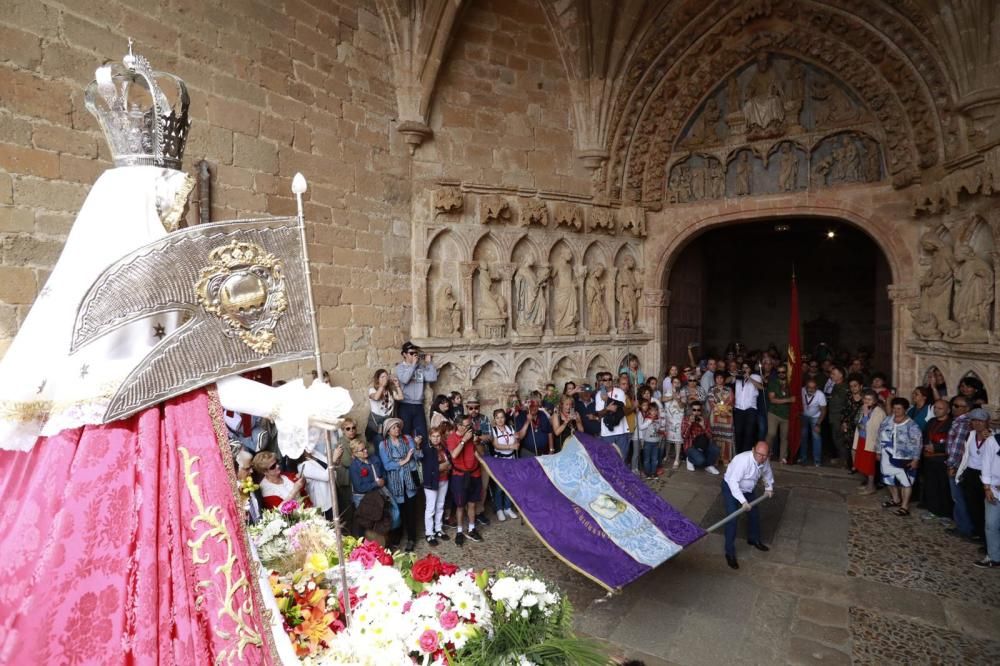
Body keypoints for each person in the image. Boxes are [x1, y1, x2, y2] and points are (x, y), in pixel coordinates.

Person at [721, 441, 775, 569]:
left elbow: (767, 474)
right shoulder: (742, 461)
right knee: (732, 518)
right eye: (759, 454)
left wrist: (769, 487)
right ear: (753, 450)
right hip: (731, 488)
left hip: (748, 489)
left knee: (754, 514)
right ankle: (729, 553)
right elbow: (733, 482)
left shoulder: (764, 460)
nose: (761, 458)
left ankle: (753, 539)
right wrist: (743, 502)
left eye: (764, 456)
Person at [378, 417, 422, 552]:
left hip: (409, 481)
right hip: (395, 483)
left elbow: (417, 456)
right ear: (388, 431)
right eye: (393, 428)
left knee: (411, 511)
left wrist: (418, 447)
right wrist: (405, 460)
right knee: (398, 511)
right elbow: (387, 465)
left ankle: (411, 538)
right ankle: (398, 535)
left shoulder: (407, 439)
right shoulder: (383, 445)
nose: (397, 429)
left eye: (398, 426)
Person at [878, 397, 923, 516]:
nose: (896, 411)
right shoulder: (888, 420)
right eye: (894, 408)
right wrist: (878, 451)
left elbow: (917, 443)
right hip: (886, 455)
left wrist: (916, 459)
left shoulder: (912, 425)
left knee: (905, 482)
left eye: (899, 408)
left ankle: (905, 506)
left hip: (904, 457)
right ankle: (896, 499)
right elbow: (879, 435)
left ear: (905, 409)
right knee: (888, 478)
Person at [446, 415, 486, 546]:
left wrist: (476, 442)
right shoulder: (452, 438)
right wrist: (464, 440)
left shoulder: (472, 436)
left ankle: (472, 529)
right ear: (459, 426)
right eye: (467, 426)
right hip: (459, 476)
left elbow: (481, 454)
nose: (470, 428)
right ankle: (459, 531)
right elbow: (454, 455)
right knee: (460, 505)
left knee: (472, 503)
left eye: (470, 425)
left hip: (475, 473)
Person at [956, 408, 993, 542]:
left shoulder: (992, 437)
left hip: (985, 475)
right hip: (971, 473)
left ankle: (987, 537)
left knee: (985, 508)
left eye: (981, 421)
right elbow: (966, 455)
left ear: (987, 422)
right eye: (974, 420)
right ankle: (978, 532)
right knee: (973, 505)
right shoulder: (970, 435)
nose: (977, 423)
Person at [945, 396, 976, 540]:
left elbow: (958, 447)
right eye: (953, 405)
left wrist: (952, 465)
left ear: (967, 408)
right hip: (958, 465)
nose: (953, 408)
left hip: (957, 467)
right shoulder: (959, 421)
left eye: (957, 406)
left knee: (958, 497)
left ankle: (964, 528)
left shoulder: (963, 423)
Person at [349, 438, 390, 542]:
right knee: (367, 522)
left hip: (377, 493)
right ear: (355, 453)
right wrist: (375, 484)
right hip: (363, 497)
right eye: (362, 450)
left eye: (365, 448)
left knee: (382, 518)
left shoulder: (374, 459)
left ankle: (382, 542)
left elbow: (383, 473)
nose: (365, 451)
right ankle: (366, 545)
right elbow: (359, 487)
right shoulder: (354, 467)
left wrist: (383, 480)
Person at [395, 341, 438, 440]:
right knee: (405, 435)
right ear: (404, 354)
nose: (414, 356)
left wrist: (429, 363)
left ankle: (422, 455)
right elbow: (404, 379)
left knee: (422, 434)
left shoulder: (420, 368)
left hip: (418, 405)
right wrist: (413, 365)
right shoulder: (400, 368)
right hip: (405, 405)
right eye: (411, 353)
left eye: (415, 353)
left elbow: (432, 378)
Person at [920, 399, 953, 518]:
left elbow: (952, 443)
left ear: (948, 410)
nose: (936, 410)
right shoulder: (931, 421)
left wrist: (937, 448)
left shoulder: (951, 423)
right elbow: (924, 436)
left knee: (944, 487)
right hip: (929, 459)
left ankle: (945, 514)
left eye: (940, 408)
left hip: (942, 460)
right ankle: (932, 509)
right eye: (935, 408)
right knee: (931, 485)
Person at [420, 425, 452, 547]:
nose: (436, 439)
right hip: (431, 482)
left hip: (444, 479)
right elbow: (427, 467)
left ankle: (438, 529)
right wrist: (440, 467)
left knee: (440, 505)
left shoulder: (443, 447)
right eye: (433, 436)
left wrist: (448, 466)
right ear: (429, 437)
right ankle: (429, 533)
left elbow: (448, 460)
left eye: (438, 436)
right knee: (431, 507)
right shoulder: (427, 449)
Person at [976, 419, 1000, 568]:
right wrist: (987, 487)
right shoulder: (993, 441)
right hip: (994, 490)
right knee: (991, 524)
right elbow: (986, 464)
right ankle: (994, 556)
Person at [488, 408, 520, 521]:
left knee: (510, 485)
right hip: (500, 461)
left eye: (502, 417)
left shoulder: (510, 428)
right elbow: (496, 445)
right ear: (495, 419)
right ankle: (499, 509)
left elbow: (516, 442)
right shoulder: (494, 431)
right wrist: (511, 446)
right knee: (499, 486)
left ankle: (507, 508)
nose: (500, 420)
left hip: (511, 459)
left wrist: (517, 441)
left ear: (505, 418)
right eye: (498, 418)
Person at [852, 389, 885, 495]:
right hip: (862, 440)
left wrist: (866, 415)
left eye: (870, 399)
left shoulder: (879, 412)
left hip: (871, 442)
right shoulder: (863, 409)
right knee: (863, 464)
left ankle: (871, 487)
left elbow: (873, 429)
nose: (867, 401)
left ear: (875, 401)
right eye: (865, 399)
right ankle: (868, 485)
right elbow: (859, 423)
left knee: (870, 465)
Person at [733, 362, 764, 454]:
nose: (745, 369)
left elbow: (761, 387)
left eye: (747, 368)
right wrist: (734, 375)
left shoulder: (755, 376)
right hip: (738, 408)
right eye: (743, 367)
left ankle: (746, 454)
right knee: (738, 432)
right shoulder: (738, 377)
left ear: (750, 369)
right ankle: (738, 454)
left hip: (751, 408)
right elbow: (726, 381)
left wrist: (749, 378)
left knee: (749, 433)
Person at [682, 401, 719, 474]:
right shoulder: (686, 419)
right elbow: (684, 436)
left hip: (703, 445)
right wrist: (690, 424)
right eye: (694, 410)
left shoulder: (704, 420)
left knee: (716, 449)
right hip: (691, 446)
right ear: (691, 410)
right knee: (700, 461)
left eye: (698, 410)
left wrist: (703, 426)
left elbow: (711, 437)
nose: (696, 412)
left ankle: (709, 465)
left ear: (701, 411)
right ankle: (689, 459)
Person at [766, 364, 794, 463]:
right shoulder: (773, 382)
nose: (781, 374)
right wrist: (789, 400)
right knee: (771, 434)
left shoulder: (791, 383)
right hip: (774, 413)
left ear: (786, 372)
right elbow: (772, 400)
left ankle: (782, 458)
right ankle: (765, 454)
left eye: (783, 372)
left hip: (786, 415)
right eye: (779, 372)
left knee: (784, 438)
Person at [367, 368, 402, 444]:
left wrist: (397, 386)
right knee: (380, 442)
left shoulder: (390, 391)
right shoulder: (372, 390)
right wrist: (382, 386)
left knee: (390, 443)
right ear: (377, 379)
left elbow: (400, 397)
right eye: (382, 377)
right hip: (377, 423)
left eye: (386, 376)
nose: (385, 378)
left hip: (388, 422)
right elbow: (376, 397)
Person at [706, 371, 734, 465]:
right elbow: (711, 402)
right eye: (717, 378)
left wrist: (724, 410)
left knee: (726, 437)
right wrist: (720, 410)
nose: (719, 380)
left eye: (721, 378)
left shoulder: (729, 389)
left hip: (727, 416)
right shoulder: (711, 389)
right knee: (715, 436)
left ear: (724, 379)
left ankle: (726, 458)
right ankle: (715, 458)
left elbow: (732, 401)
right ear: (715, 379)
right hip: (715, 415)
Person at [799, 378, 828, 466]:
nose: (811, 389)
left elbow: (823, 411)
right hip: (803, 416)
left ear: (817, 388)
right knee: (803, 436)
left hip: (816, 417)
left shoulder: (820, 395)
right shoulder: (801, 391)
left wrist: (818, 424)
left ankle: (817, 460)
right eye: (809, 387)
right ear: (805, 387)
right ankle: (803, 458)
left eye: (813, 388)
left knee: (816, 437)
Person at [826, 366, 851, 469]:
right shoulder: (835, 386)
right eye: (831, 374)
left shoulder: (843, 387)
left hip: (839, 418)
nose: (831, 375)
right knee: (836, 439)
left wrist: (843, 420)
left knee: (840, 440)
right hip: (833, 416)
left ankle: (844, 461)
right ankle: (842, 459)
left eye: (834, 374)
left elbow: (843, 404)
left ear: (841, 375)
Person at [637, 400, 665, 480]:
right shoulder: (647, 419)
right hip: (648, 442)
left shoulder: (658, 420)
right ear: (649, 411)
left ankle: (653, 473)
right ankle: (648, 473)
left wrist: (661, 434)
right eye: (652, 410)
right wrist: (649, 421)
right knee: (646, 459)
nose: (654, 412)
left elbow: (658, 430)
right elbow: (641, 428)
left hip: (656, 442)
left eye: (656, 410)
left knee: (654, 459)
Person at [662, 377, 686, 469]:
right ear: (672, 383)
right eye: (674, 382)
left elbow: (683, 405)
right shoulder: (667, 391)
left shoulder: (683, 392)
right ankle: (667, 455)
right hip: (668, 417)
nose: (676, 384)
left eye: (678, 382)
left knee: (677, 438)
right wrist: (672, 396)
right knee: (667, 437)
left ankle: (677, 458)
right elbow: (663, 399)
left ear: (680, 384)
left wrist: (679, 399)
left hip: (678, 418)